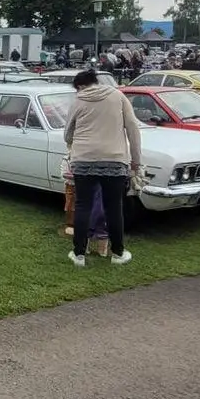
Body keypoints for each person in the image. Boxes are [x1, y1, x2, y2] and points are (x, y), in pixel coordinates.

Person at [62, 67, 141, 266]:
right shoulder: (118, 96)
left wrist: (75, 144)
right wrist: (136, 160)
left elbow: (67, 134)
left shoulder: (78, 101)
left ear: (80, 86)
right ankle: (118, 253)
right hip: (114, 158)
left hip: (83, 159)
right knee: (114, 207)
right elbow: (133, 129)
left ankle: (79, 253)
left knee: (83, 206)